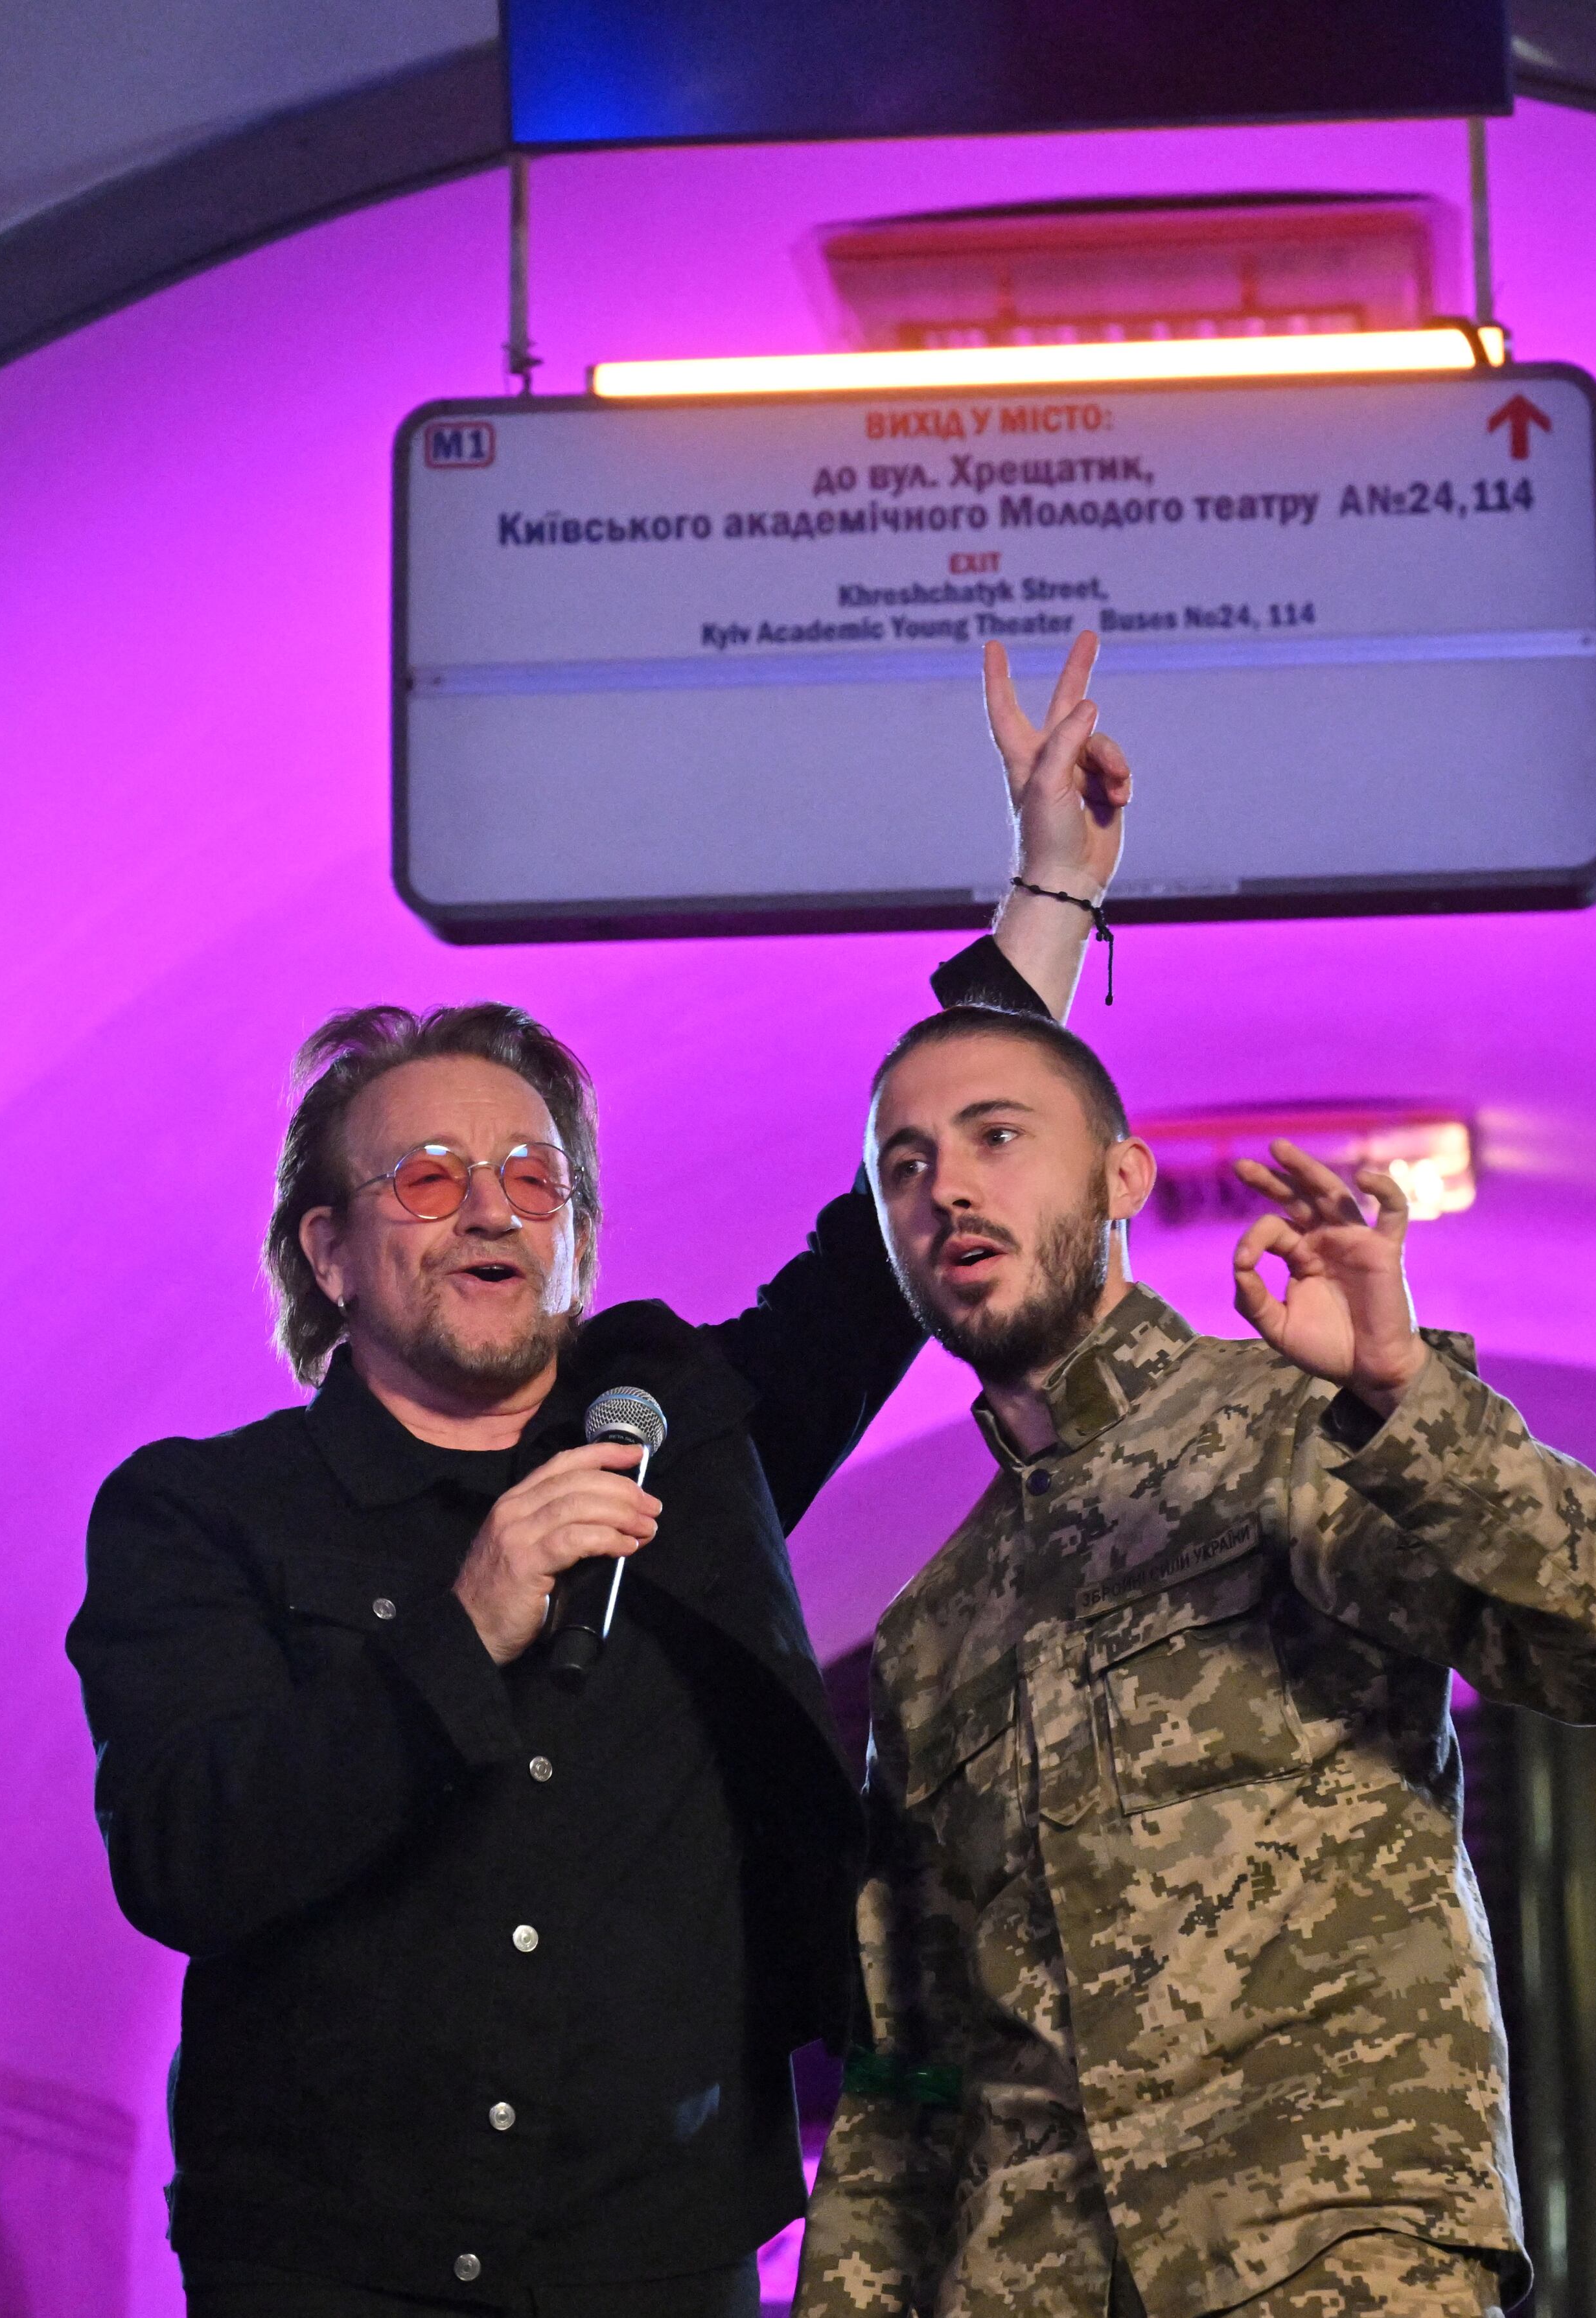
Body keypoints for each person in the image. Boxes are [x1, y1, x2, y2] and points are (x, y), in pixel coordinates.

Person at [68, 637, 1133, 2315]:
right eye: (428, 1175)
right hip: (328, 2273)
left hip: (658, 2259)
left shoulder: (689, 1438)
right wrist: (465, 1621)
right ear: (328, 1250)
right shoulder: (199, 1515)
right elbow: (188, 1855)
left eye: (529, 1174)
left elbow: (875, 1254)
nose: (491, 1206)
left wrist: (1051, 899)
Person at [789, 1006, 1596, 2318]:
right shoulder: (936, 1620)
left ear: (1121, 1176)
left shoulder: (1295, 1432)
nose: (951, 1188)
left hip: (1328, 2255)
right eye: (906, 1164)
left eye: (998, 1134)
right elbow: (904, 2072)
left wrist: (1402, 1395)